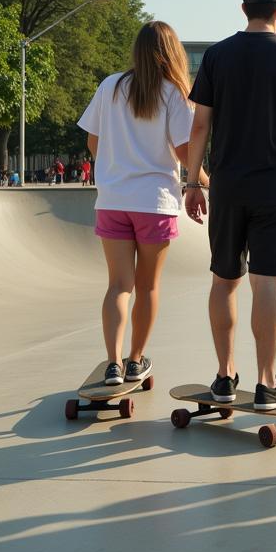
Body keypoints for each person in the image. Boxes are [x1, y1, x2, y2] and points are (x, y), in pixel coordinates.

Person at [184, 0, 276, 411]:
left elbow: (200, 125)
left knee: (224, 281)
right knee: (267, 283)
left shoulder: (216, 57)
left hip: (226, 186)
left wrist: (192, 181)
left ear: (244, 9)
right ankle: (266, 383)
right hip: (273, 186)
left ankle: (224, 378)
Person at [78, 20, 201, 387]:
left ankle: (113, 364)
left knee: (119, 286)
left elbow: (93, 144)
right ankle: (135, 360)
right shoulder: (175, 93)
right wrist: (203, 181)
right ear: (173, 53)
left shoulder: (110, 86)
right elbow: (184, 152)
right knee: (147, 287)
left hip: (113, 199)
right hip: (155, 203)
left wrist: (115, 167)